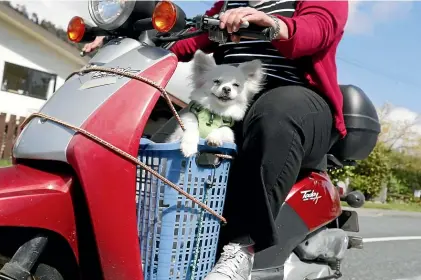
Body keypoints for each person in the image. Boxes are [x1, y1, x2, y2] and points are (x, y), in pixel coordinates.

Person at [84, 1, 348, 279]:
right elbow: (189, 37)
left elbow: (318, 29)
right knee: (162, 146)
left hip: (296, 102)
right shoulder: (230, 4)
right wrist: (132, 42)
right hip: (228, 104)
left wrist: (275, 25)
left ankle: (242, 248)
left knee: (274, 114)